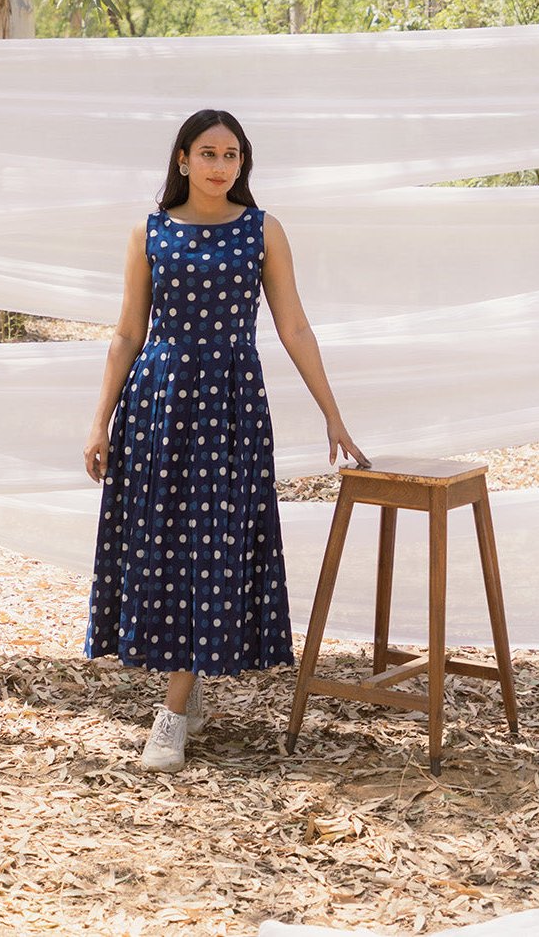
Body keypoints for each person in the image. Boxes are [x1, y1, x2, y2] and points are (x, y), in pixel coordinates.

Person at [82, 107, 370, 772]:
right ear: (182, 160)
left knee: (211, 544)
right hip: (158, 402)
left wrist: (332, 414)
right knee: (166, 544)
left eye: (231, 155)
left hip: (231, 405)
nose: (219, 165)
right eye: (207, 153)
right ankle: (190, 682)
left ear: (243, 165)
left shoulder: (262, 231)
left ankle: (173, 712)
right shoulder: (149, 231)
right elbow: (127, 332)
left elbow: (294, 328)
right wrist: (99, 419)